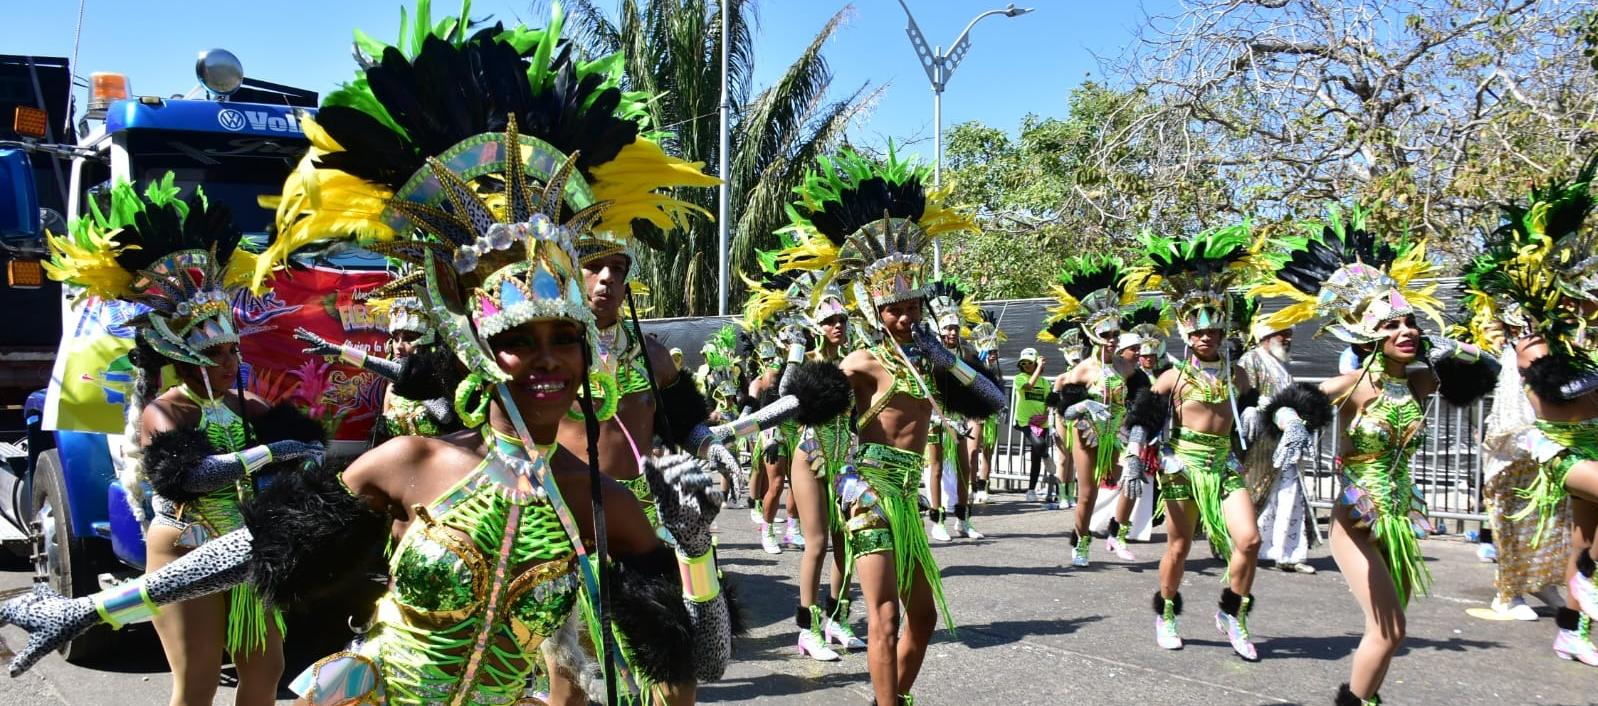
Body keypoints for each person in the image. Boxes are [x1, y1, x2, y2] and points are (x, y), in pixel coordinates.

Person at [1, 15, 741, 705]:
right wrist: (89, 609)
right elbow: (257, 551)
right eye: (519, 339)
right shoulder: (413, 463)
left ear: (586, 351)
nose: (546, 361)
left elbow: (700, 662)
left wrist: (697, 545)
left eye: (563, 339)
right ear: (479, 346)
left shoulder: (596, 501)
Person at [34, 175, 324, 706]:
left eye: (232, 351)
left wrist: (307, 458)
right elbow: (190, 478)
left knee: (266, 671)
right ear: (182, 355)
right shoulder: (163, 411)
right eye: (215, 354)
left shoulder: (244, 404)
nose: (228, 363)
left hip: (244, 547)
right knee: (197, 683)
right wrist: (273, 452)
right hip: (185, 549)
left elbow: (308, 451)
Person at [782, 146, 1006, 705]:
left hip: (907, 496)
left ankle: (895, 697)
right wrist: (727, 431)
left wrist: (946, 357)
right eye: (894, 309)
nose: (905, 317)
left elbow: (993, 399)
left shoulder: (930, 359)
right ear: (875, 311)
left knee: (923, 617)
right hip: (870, 495)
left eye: (912, 306)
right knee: (883, 619)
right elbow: (797, 400)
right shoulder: (862, 362)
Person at [1252, 204, 1498, 704]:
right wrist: (1292, 423)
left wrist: (1455, 347)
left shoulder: (1422, 381)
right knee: (1389, 630)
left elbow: (1489, 370)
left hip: (1401, 517)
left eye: (1409, 323)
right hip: (1358, 518)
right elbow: (1288, 402)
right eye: (1390, 326)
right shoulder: (1354, 384)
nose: (1405, 331)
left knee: (1389, 633)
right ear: (1368, 334)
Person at [1123, 224, 1331, 661]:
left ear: (1222, 333)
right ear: (1187, 334)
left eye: (1212, 331)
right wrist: (1133, 457)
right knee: (1179, 547)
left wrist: (1289, 421)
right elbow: (1143, 418)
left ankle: (1232, 613)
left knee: (1249, 541)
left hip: (1225, 466)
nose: (1205, 337)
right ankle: (1167, 613)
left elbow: (1268, 406)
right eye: (1198, 331)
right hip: (1183, 468)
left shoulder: (1238, 374)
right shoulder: (1173, 376)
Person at [1464, 159, 1598, 670]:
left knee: (1585, 544)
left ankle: (1571, 631)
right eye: (1580, 291)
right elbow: (1555, 398)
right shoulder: (1534, 344)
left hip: (1591, 444)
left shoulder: (1582, 342)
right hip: (1560, 452)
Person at [1045, 256, 1143, 567]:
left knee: (1132, 479)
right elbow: (1064, 409)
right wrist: (1083, 405)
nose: (1112, 340)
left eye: (1116, 335)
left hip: (1117, 434)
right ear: (1093, 335)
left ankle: (1118, 534)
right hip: (1087, 434)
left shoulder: (1128, 367)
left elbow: (1144, 400)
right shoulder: (1083, 370)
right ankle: (1080, 541)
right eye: (1106, 335)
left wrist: (1134, 426)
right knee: (1087, 493)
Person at [295, 293, 465, 440]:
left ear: (429, 341)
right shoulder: (392, 384)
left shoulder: (446, 379)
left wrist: (341, 351)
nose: (399, 346)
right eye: (395, 338)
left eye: (409, 338)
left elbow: (446, 416)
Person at [1236, 311, 1316, 574]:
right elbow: (1245, 395)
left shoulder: (1281, 365)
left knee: (1290, 494)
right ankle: (1243, 546)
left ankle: (1288, 553)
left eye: (1290, 335)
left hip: (1285, 442)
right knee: (1255, 493)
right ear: (1268, 336)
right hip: (1261, 442)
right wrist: (1253, 409)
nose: (1288, 339)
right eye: (1284, 334)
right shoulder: (1251, 359)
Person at [1011, 348, 1051, 503]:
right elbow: (1028, 386)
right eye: (1023, 363)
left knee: (1036, 456)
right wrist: (1039, 368)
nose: (1027, 365)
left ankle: (1031, 490)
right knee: (1040, 445)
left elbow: (1048, 401)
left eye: (1030, 362)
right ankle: (1046, 455)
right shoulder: (1019, 378)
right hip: (1024, 422)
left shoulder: (1045, 382)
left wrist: (1045, 415)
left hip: (1041, 423)